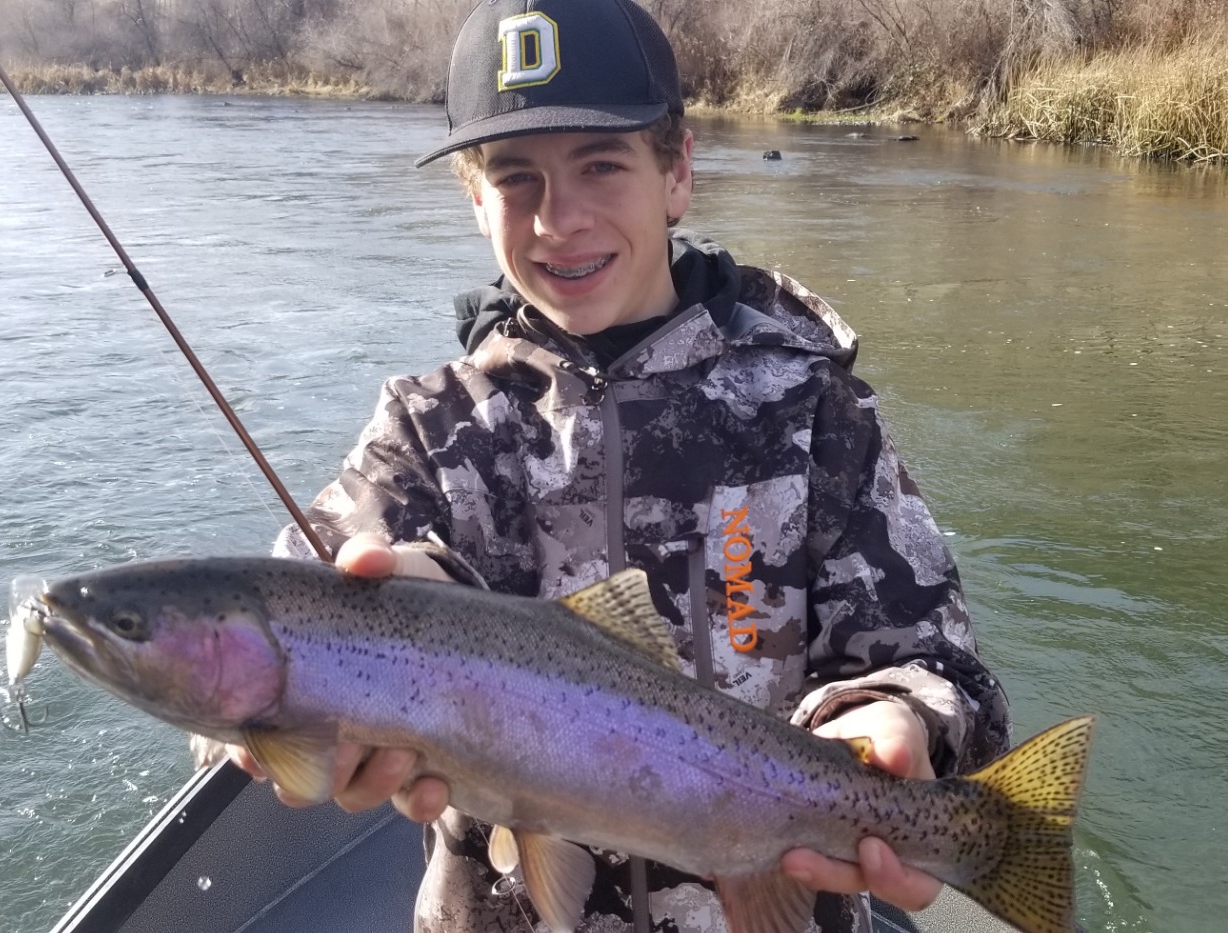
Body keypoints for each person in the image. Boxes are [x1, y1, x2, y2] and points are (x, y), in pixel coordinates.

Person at [227, 0, 1015, 930]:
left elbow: (944, 667)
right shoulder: (427, 430)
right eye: (517, 180)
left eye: (600, 166)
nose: (559, 220)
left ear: (677, 171)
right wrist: (393, 614)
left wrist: (900, 717)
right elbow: (265, 637)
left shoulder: (809, 409)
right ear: (475, 200)